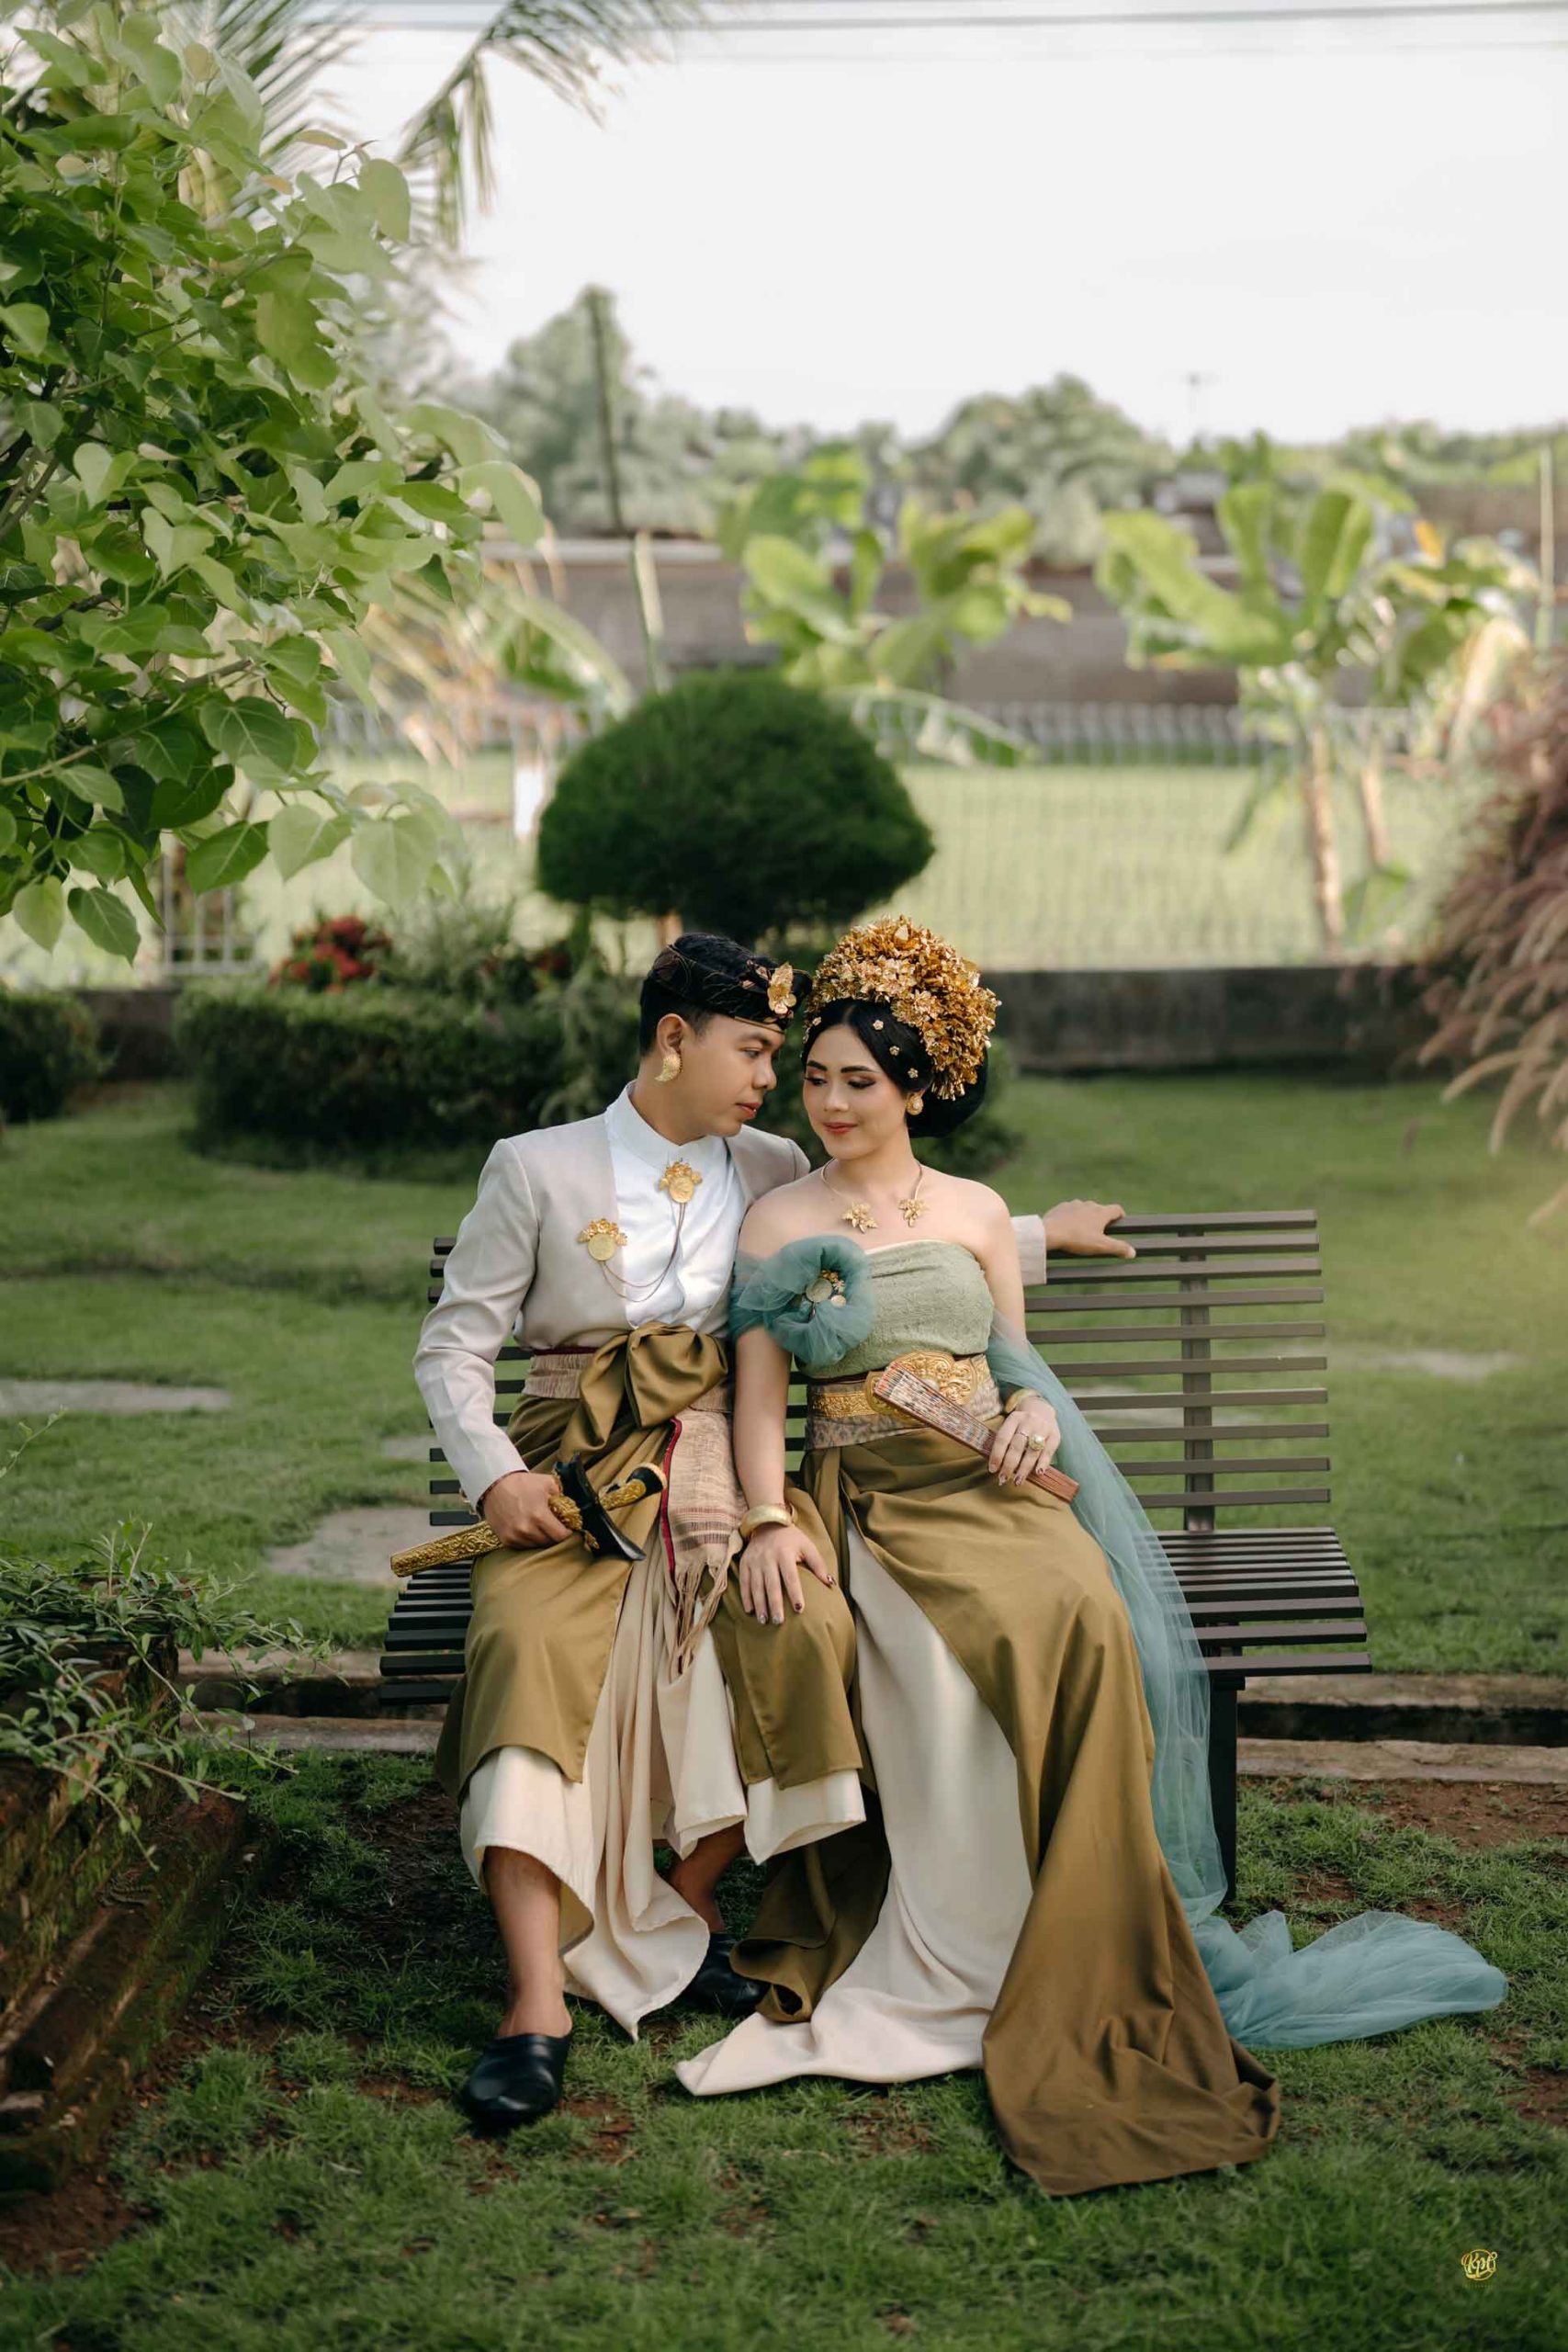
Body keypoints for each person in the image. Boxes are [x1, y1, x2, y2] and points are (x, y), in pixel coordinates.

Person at [676, 915, 1508, 2198]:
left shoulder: (971, 1213)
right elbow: (756, 1398)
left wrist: (1033, 1419)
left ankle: (1074, 1928)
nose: (831, 1104)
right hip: (874, 1499)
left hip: (991, 1488)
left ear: (917, 1091)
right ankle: (958, 1939)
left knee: (1082, 1608)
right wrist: (770, 1519)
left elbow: (1020, 1370)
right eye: (819, 1078)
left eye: (861, 1082)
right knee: (962, 1648)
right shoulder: (777, 1218)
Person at [413, 931, 1122, 2134]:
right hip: (577, 1476)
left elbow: (879, 1234)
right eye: (753, 1052)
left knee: (798, 1630)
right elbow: (452, 1347)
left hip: (711, 1471)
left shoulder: (770, 1163)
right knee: (526, 1655)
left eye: (776, 1056)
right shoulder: (536, 1168)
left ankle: (680, 1906)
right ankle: (535, 2005)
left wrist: (1039, 1234)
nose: (772, 1080)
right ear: (672, 1039)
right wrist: (494, 1482)